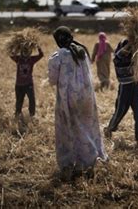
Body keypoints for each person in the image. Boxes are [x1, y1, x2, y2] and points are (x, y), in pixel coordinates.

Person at [48, 26, 108, 180]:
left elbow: (52, 80)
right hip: (87, 97)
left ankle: (73, 162)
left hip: (69, 99)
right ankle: (92, 157)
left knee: (69, 130)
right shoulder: (82, 51)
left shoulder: (57, 56)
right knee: (88, 126)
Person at [104, 39, 138, 145]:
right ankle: (109, 129)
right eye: (127, 48)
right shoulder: (118, 58)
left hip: (135, 86)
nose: (128, 50)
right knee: (119, 112)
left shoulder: (134, 57)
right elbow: (120, 54)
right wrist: (131, 42)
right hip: (125, 88)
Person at [10, 45, 43, 118]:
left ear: (30, 52)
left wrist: (38, 46)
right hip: (19, 85)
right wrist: (16, 47)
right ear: (21, 52)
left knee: (32, 100)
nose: (26, 53)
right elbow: (11, 54)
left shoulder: (31, 59)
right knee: (19, 101)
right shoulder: (18, 59)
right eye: (24, 51)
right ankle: (17, 114)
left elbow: (41, 55)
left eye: (27, 51)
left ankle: (32, 115)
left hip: (28, 84)